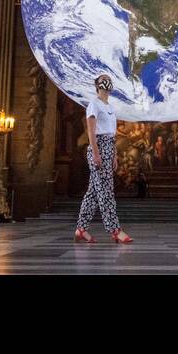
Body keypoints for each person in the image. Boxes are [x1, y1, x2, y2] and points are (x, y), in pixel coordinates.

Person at [75, 74, 133, 243]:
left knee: (93, 193)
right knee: (106, 191)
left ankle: (81, 229)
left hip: (108, 147)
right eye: (103, 80)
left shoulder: (110, 107)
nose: (106, 82)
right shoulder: (94, 105)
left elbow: (111, 133)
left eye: (108, 80)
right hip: (98, 147)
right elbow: (91, 132)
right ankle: (115, 230)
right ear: (98, 85)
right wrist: (95, 153)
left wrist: (114, 154)